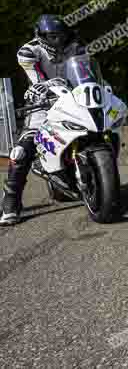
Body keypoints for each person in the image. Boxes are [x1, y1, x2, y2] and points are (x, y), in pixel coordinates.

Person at [1, 15, 85, 225]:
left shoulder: (76, 47)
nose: (58, 41)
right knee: (21, 152)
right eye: (53, 37)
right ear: (41, 36)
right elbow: (38, 80)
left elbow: (85, 73)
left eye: (61, 36)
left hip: (75, 99)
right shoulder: (28, 52)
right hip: (42, 102)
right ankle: (11, 204)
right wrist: (50, 90)